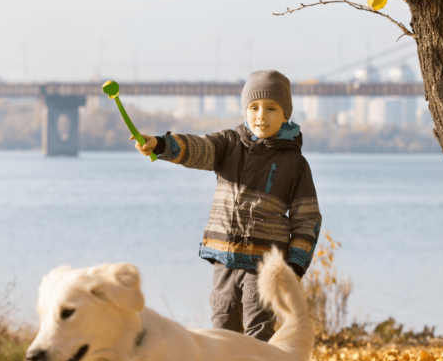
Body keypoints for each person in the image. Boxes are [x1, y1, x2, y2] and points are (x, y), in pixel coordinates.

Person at [134, 70, 321, 341]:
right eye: (254, 107)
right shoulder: (229, 144)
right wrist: (162, 145)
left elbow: (307, 218)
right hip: (224, 258)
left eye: (271, 108)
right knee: (221, 332)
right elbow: (198, 148)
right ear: (245, 110)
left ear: (285, 115)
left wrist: (293, 268)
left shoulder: (295, 164)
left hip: (265, 266)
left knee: (259, 332)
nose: (261, 115)